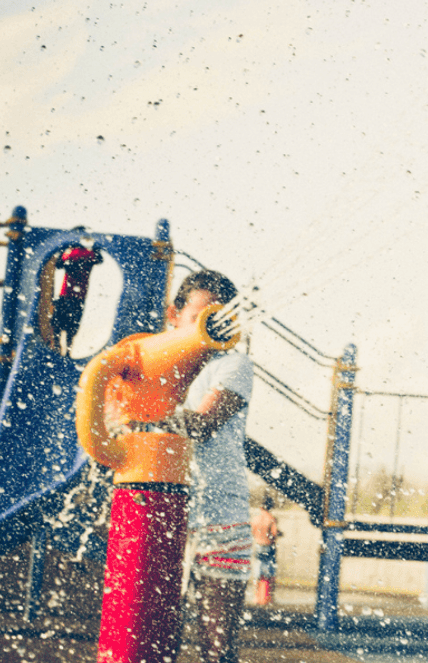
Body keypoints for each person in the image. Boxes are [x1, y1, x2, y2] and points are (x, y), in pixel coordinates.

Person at [161, 270, 253, 663]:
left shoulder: (233, 365)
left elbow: (202, 423)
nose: (209, 327)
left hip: (222, 518)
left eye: (217, 318)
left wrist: (143, 418)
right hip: (166, 513)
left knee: (216, 647)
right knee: (154, 638)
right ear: (173, 315)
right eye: (201, 318)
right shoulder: (156, 362)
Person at [50, 234, 102, 355]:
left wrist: (64, 247)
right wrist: (97, 246)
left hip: (66, 294)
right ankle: (67, 351)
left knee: (57, 325)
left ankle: (58, 349)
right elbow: (99, 259)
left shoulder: (70, 252)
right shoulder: (89, 253)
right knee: (71, 327)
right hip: (79, 297)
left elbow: (58, 264)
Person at [251, 494, 281, 607]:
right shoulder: (271, 519)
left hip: (258, 545)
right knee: (269, 572)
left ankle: (256, 597)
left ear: (261, 507)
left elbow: (252, 532)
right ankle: (269, 597)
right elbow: (274, 533)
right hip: (269, 547)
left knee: (258, 571)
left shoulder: (256, 519)